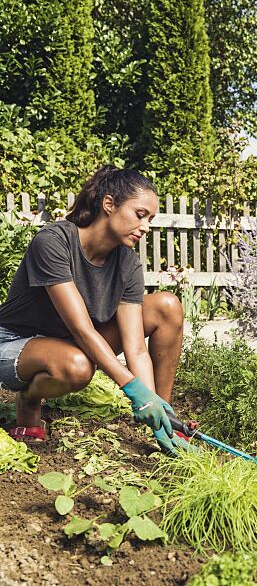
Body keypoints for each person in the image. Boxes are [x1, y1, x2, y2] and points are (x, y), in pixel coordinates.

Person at [0, 165, 190, 455]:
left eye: (150, 219)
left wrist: (150, 401)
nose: (146, 227)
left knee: (166, 306)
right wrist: (132, 388)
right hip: (15, 343)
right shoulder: (54, 242)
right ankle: (29, 400)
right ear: (109, 204)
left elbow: (136, 347)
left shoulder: (127, 263)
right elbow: (82, 330)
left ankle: (166, 420)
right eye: (140, 215)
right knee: (78, 366)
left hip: (68, 344)